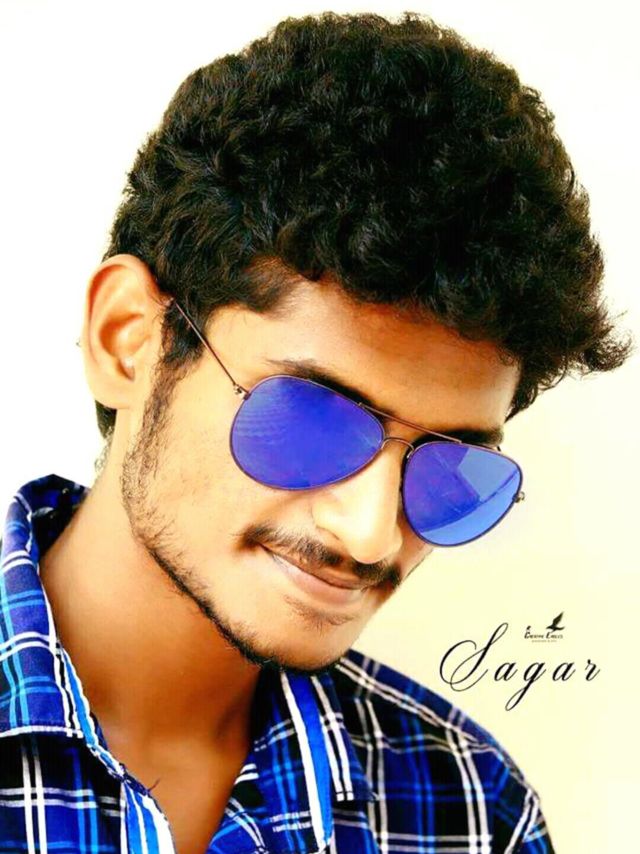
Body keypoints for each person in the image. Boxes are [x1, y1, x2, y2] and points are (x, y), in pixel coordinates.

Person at [0, 11, 631, 854]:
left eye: (448, 470)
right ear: (128, 341)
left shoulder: (470, 814)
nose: (369, 534)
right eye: (311, 420)